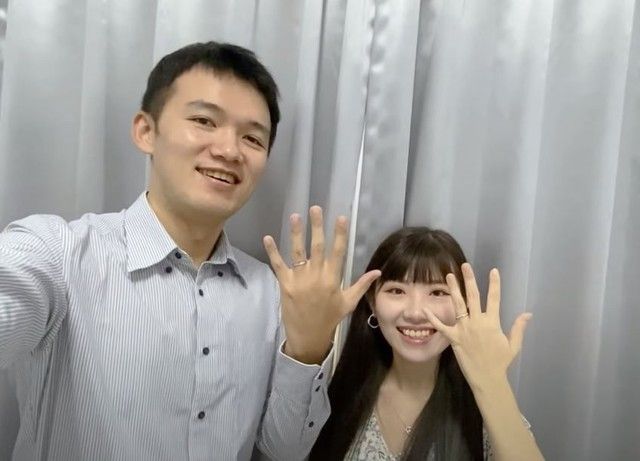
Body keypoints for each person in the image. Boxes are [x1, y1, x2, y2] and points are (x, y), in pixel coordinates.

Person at [0, 41, 379, 461]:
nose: (229, 150)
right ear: (146, 131)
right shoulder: (60, 254)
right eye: (204, 120)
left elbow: (283, 449)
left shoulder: (269, 292)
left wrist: (307, 349)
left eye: (253, 138)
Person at [309, 227, 545, 460]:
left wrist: (492, 382)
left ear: (463, 304)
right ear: (372, 302)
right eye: (396, 290)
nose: (415, 313)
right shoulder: (333, 399)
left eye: (438, 293)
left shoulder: (484, 410)